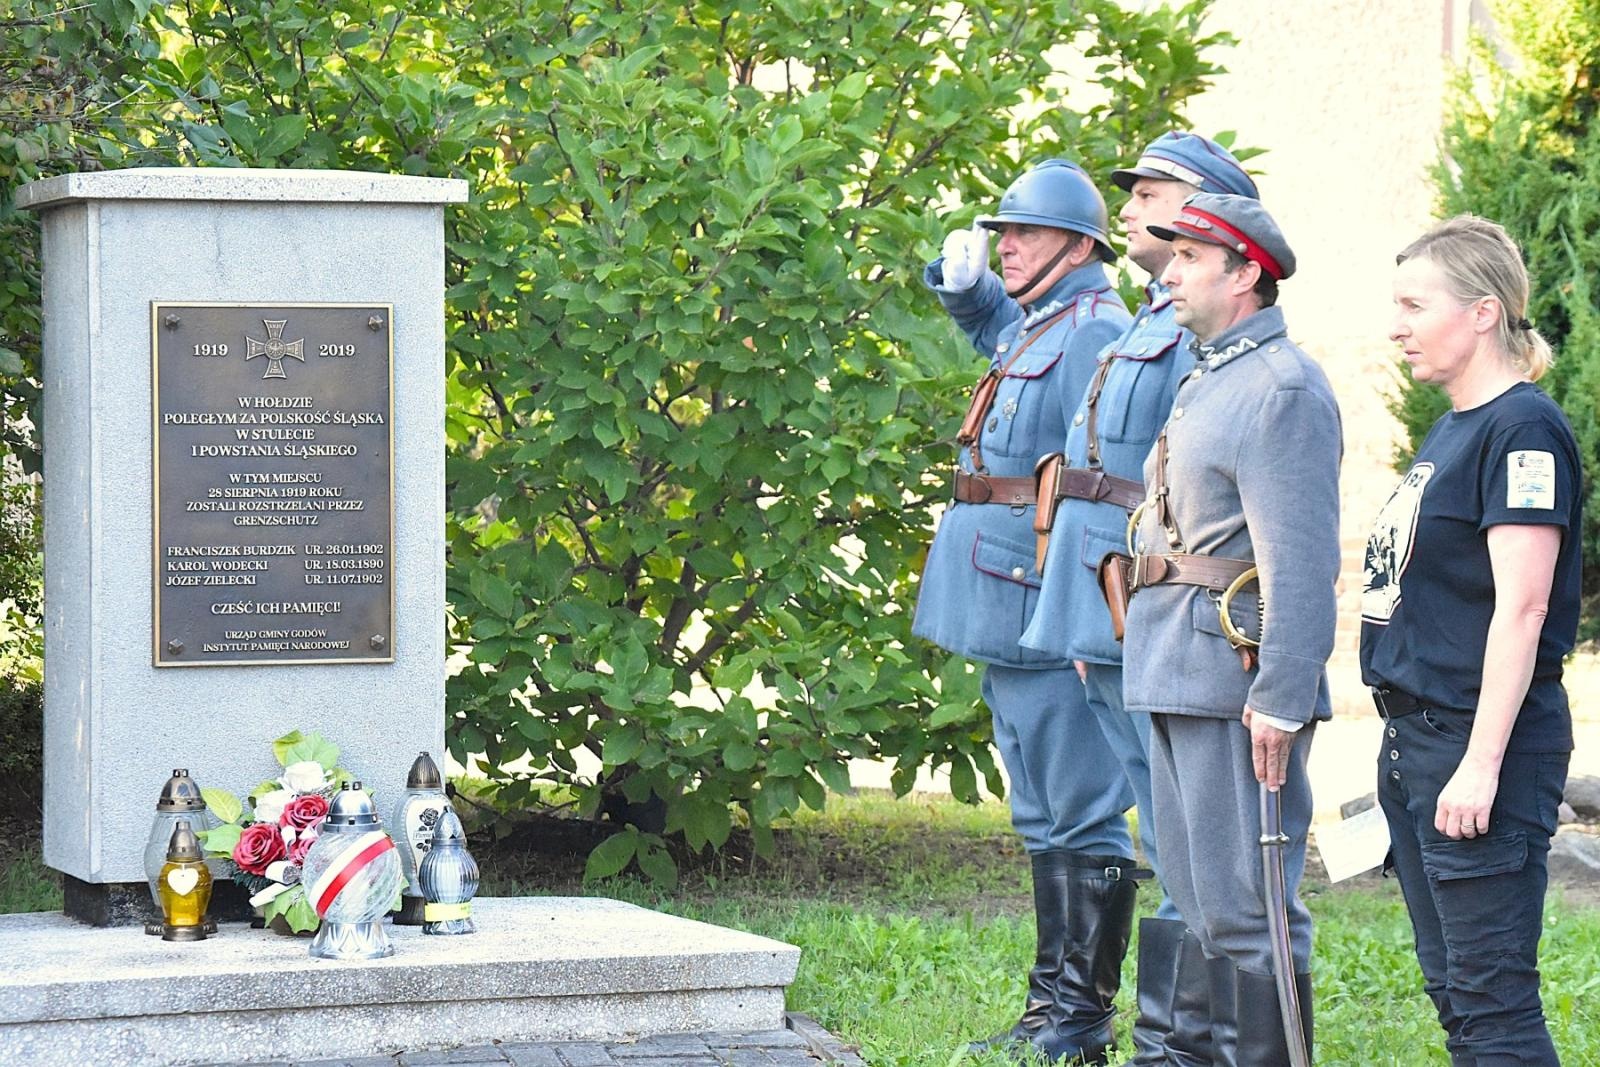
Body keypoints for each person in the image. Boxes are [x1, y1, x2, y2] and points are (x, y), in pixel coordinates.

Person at [1016, 131, 1260, 1066]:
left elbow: (1176, 494)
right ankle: (1149, 1034)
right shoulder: (1155, 322)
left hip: (1160, 612)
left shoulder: (1201, 338)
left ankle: (1181, 1042)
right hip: (1115, 604)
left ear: (1204, 207)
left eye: (1149, 189)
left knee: (1184, 844)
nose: (1128, 206)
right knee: (1162, 834)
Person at [914, 158, 1141, 1063]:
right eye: (1002, 231)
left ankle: (1080, 1018)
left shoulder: (1097, 328)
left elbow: (1104, 482)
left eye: (1027, 233)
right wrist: (968, 296)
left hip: (1048, 601)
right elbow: (1009, 340)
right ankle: (1051, 1010)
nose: (1006, 244)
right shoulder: (1052, 320)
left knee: (1080, 807)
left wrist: (1087, 613)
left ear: (1080, 245)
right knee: (1042, 811)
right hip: (1008, 597)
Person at [1122, 193, 1342, 1065]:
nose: (1167, 272)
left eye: (1189, 259)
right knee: (1203, 901)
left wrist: (1282, 698)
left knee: (1251, 912)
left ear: (1245, 272)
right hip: (1176, 668)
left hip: (1235, 682)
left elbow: (1300, 560)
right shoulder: (1215, 374)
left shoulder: (1282, 388)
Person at [1362, 215, 1580, 1067]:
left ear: (1483, 311)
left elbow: (1522, 610)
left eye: (1416, 304)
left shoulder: (1522, 431)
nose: (1397, 324)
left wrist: (1480, 763)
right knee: (1458, 996)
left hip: (1474, 747)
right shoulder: (1458, 425)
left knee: (1493, 1005)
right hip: (1418, 742)